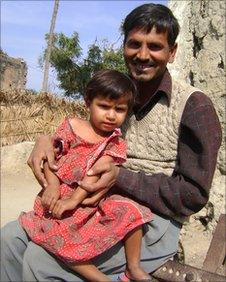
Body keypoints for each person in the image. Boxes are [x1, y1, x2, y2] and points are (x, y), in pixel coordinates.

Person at [1, 3, 222, 282]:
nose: (142, 55)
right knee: (9, 240)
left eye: (154, 46)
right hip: (93, 210)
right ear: (124, 47)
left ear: (172, 52)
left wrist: (120, 178)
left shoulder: (194, 106)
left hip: (147, 223)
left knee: (42, 261)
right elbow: (81, 136)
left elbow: (193, 195)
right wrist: (45, 140)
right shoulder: (117, 95)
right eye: (134, 44)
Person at [18, 69, 153, 282]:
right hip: (60, 198)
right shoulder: (71, 126)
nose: (111, 115)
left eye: (120, 109)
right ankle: (98, 278)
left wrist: (74, 200)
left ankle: (133, 267)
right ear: (88, 102)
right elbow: (51, 160)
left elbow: (94, 175)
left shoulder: (114, 143)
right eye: (104, 106)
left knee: (131, 212)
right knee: (58, 237)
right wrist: (53, 187)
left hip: (89, 198)